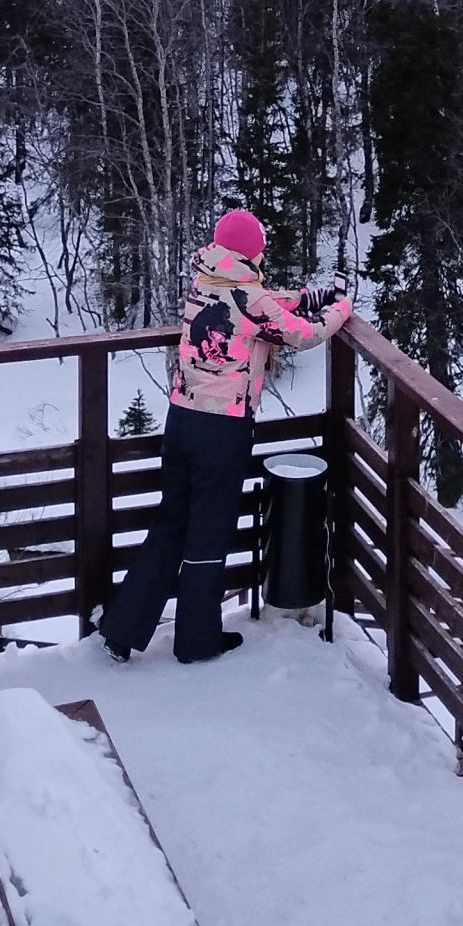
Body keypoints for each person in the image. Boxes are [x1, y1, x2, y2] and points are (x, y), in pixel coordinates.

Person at [98, 209, 351, 664]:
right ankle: (197, 641)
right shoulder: (247, 296)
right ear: (251, 250)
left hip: (182, 417)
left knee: (170, 521)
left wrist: (305, 295)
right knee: (208, 533)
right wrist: (338, 310)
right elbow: (301, 335)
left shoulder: (207, 280)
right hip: (222, 427)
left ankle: (122, 629)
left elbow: (261, 304)